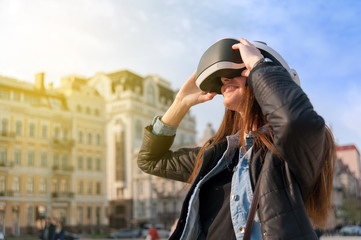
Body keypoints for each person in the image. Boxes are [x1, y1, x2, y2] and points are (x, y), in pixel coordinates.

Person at [138, 38, 336, 239]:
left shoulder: (289, 151)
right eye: (222, 76)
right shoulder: (215, 156)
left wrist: (259, 65)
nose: (225, 79)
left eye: (238, 71)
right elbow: (149, 160)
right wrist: (180, 104)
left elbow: (294, 121)